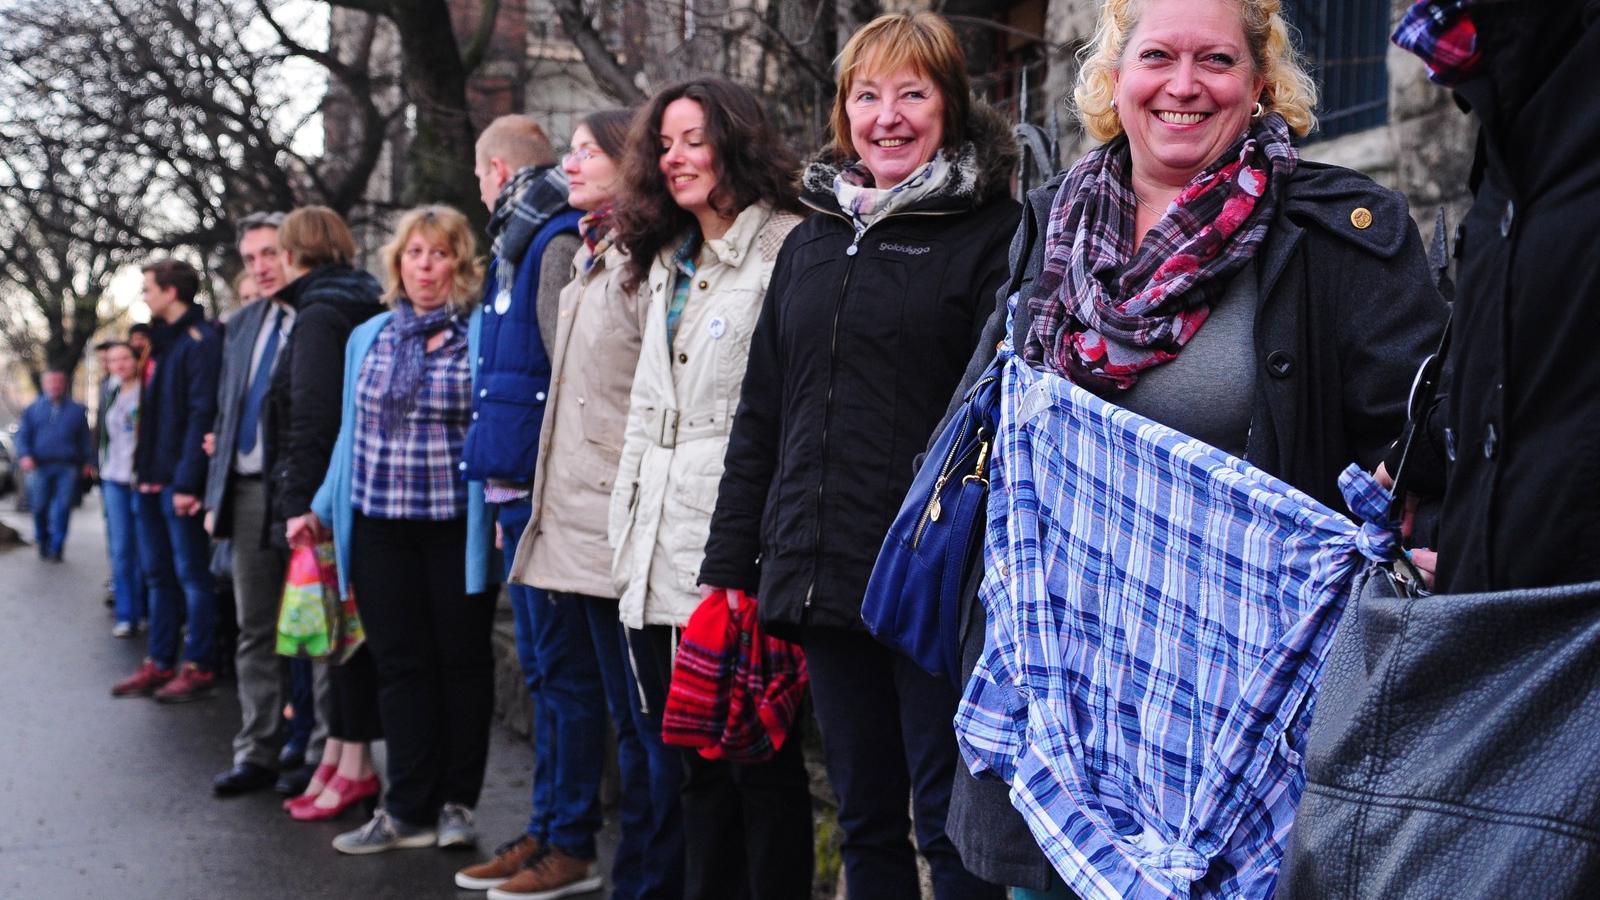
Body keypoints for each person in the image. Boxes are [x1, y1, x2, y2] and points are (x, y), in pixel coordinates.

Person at [929, 0, 1446, 895]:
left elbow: (1424, 448)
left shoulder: (1336, 235)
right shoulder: (1052, 229)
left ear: (1260, 84)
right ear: (1115, 78)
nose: (1182, 84)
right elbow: (979, 428)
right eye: (1157, 56)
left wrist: (1424, 537)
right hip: (1060, 692)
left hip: (1240, 725)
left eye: (1215, 61)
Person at [698, 13, 1018, 900]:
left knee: (949, 822)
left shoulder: (994, 233)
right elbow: (762, 409)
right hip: (823, 573)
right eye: (867, 95)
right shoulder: (810, 241)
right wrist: (733, 564)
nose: (888, 116)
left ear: (949, 107)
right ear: (843, 112)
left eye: (913, 93)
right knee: (864, 817)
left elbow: (1001, 412)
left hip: (932, 579)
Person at [608, 77, 809, 900]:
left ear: (737, 141)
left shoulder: (790, 249)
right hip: (652, 550)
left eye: (694, 139)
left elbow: (783, 416)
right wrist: (622, 538)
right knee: (691, 766)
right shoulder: (664, 260)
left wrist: (764, 557)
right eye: (665, 144)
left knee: (759, 768)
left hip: (736, 552)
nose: (676, 158)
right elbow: (642, 413)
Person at [500, 108, 686, 900]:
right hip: (580, 524)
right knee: (623, 719)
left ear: (628, 160)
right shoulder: (591, 252)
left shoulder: (653, 259)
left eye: (587, 152)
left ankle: (645, 882)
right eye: (568, 151)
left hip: (627, 527)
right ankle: (626, 874)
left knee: (650, 733)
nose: (569, 165)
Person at [288, 204, 497, 856]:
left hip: (453, 527)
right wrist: (317, 506)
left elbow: (495, 430)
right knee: (399, 667)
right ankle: (406, 809)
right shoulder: (369, 336)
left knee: (460, 665)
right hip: (377, 526)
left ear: (458, 264)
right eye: (414, 254)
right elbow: (351, 437)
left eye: (438, 255)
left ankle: (457, 803)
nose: (425, 266)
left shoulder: (480, 336)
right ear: (397, 262)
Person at [452, 114, 607, 897]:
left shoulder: (545, 245)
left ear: (495, 169)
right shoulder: (517, 244)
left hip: (546, 502)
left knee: (563, 675)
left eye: (480, 175)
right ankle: (547, 828)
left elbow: (569, 376)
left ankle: (569, 839)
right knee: (546, 672)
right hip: (517, 493)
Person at [261, 206, 386, 820]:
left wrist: (297, 504)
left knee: (339, 638)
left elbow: (312, 417)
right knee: (344, 635)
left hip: (328, 500)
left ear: (293, 253)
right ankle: (338, 754)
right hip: (363, 488)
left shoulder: (317, 314)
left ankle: (355, 766)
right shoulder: (363, 298)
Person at [204, 211, 305, 797]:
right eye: (252, 259)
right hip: (244, 492)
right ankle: (257, 749)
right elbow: (227, 412)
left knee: (312, 627)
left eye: (271, 253)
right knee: (255, 627)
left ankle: (314, 752)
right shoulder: (242, 324)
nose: (263, 267)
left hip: (296, 492)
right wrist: (217, 495)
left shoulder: (318, 319)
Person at [111, 258, 224, 703]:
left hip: (178, 483)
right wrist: (144, 475)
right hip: (150, 479)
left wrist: (187, 483)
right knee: (157, 575)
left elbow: (201, 414)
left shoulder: (200, 341)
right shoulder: (159, 344)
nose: (144, 296)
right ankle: (159, 663)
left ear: (171, 292)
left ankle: (198, 666)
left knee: (192, 575)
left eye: (149, 288)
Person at [15, 369, 95, 562]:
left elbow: (85, 439)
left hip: (67, 467)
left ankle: (57, 547)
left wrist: (89, 462)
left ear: (64, 384)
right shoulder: (33, 409)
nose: (55, 386)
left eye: (59, 382)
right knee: (39, 506)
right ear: (44, 384)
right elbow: (22, 436)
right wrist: (25, 455)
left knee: (62, 508)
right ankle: (42, 540)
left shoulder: (77, 410)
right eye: (51, 382)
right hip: (39, 466)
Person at [99, 342, 148, 637]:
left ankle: (145, 611)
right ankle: (126, 614)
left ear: (136, 360)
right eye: (114, 359)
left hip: (139, 479)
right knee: (120, 550)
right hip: (113, 479)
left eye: (125, 358)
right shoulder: (111, 391)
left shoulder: (146, 391)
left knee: (145, 549)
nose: (119, 364)